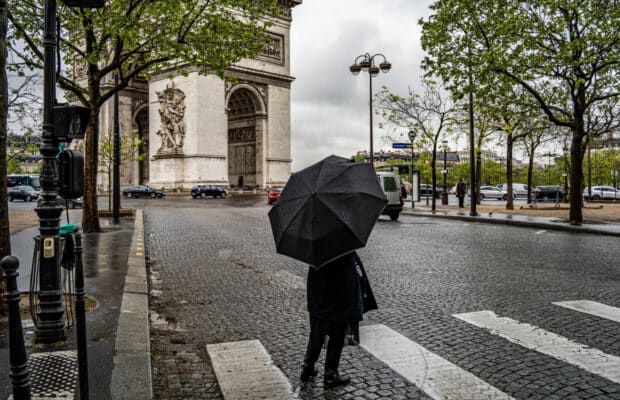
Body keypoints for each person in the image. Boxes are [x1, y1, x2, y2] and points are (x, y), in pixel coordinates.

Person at [301, 251, 377, 389]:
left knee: (316, 334)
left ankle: (307, 368)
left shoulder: (314, 245)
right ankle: (330, 375)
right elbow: (356, 275)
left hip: (318, 295)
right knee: (337, 336)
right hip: (340, 297)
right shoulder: (344, 247)